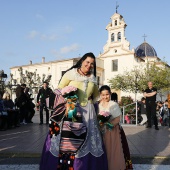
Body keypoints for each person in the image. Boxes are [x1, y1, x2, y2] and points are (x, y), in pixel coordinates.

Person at [39, 52, 108, 170]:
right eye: (87, 62)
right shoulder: (70, 74)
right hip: (71, 110)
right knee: (71, 138)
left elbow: (96, 96)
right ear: (82, 61)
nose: (89, 65)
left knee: (88, 140)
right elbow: (58, 90)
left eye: (92, 64)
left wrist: (104, 106)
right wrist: (66, 100)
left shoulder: (92, 78)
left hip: (89, 114)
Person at [98, 85, 133, 170]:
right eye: (103, 95)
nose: (105, 97)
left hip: (112, 131)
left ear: (110, 94)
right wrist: (100, 123)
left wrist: (108, 124)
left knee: (112, 151)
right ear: (100, 95)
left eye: (107, 94)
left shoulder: (113, 104)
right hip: (101, 131)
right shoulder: (98, 105)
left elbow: (118, 118)